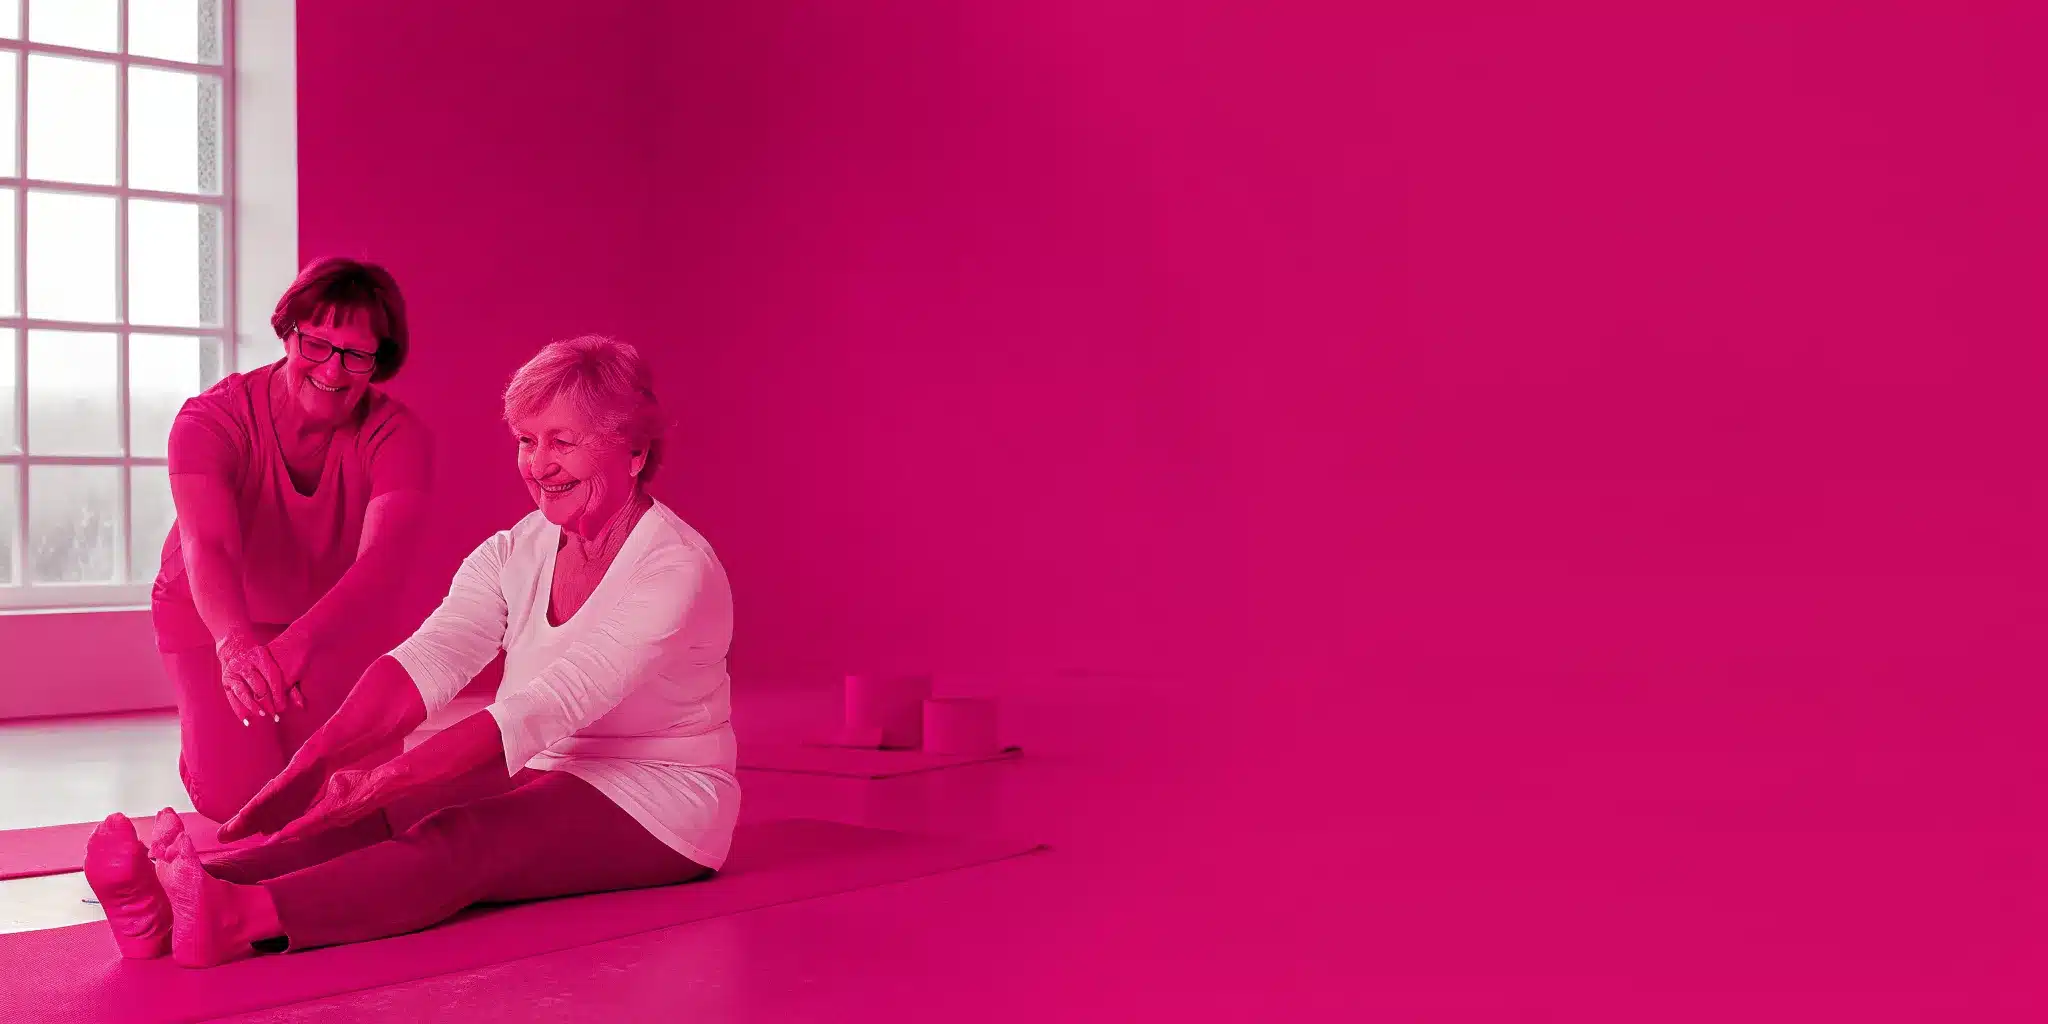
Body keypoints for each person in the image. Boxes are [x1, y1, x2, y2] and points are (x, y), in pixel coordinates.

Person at [84, 336, 739, 966]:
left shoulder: (674, 567)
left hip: (660, 798)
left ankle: (239, 921)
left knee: (463, 837)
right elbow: (431, 659)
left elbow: (546, 705)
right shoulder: (517, 549)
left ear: (633, 452)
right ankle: (177, 898)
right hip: (542, 764)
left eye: (563, 442)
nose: (538, 465)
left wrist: (385, 776)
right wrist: (318, 762)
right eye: (526, 441)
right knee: (367, 815)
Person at [149, 257, 433, 824]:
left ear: (378, 361)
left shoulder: (397, 436)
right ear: (289, 333)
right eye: (317, 343)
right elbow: (211, 548)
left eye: (356, 353)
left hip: (328, 623)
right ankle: (206, 744)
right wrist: (237, 649)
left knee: (353, 797)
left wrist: (301, 644)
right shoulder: (208, 421)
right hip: (217, 620)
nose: (333, 368)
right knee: (239, 802)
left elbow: (380, 565)